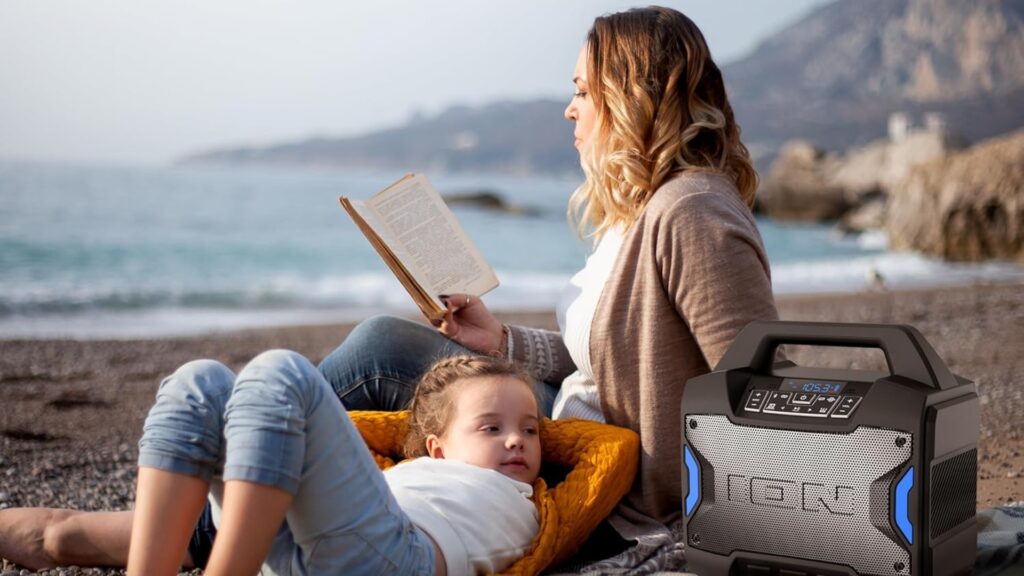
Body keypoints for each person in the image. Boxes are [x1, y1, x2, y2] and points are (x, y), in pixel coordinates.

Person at [0, 5, 777, 571]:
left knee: (376, 350)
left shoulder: (692, 210)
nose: (570, 107)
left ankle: (163, 530)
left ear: (635, 95)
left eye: (585, 89)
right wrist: (502, 344)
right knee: (388, 350)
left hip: (601, 474)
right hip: (568, 430)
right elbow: (609, 360)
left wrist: (695, 533)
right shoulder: (642, 214)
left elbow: (757, 392)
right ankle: (188, 518)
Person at [127, 352, 541, 576]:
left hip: (399, 556)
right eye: (491, 428)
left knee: (284, 372)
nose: (515, 440)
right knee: (201, 381)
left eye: (530, 430)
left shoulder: (521, 498)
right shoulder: (413, 470)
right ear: (438, 449)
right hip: (308, 550)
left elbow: (600, 448)